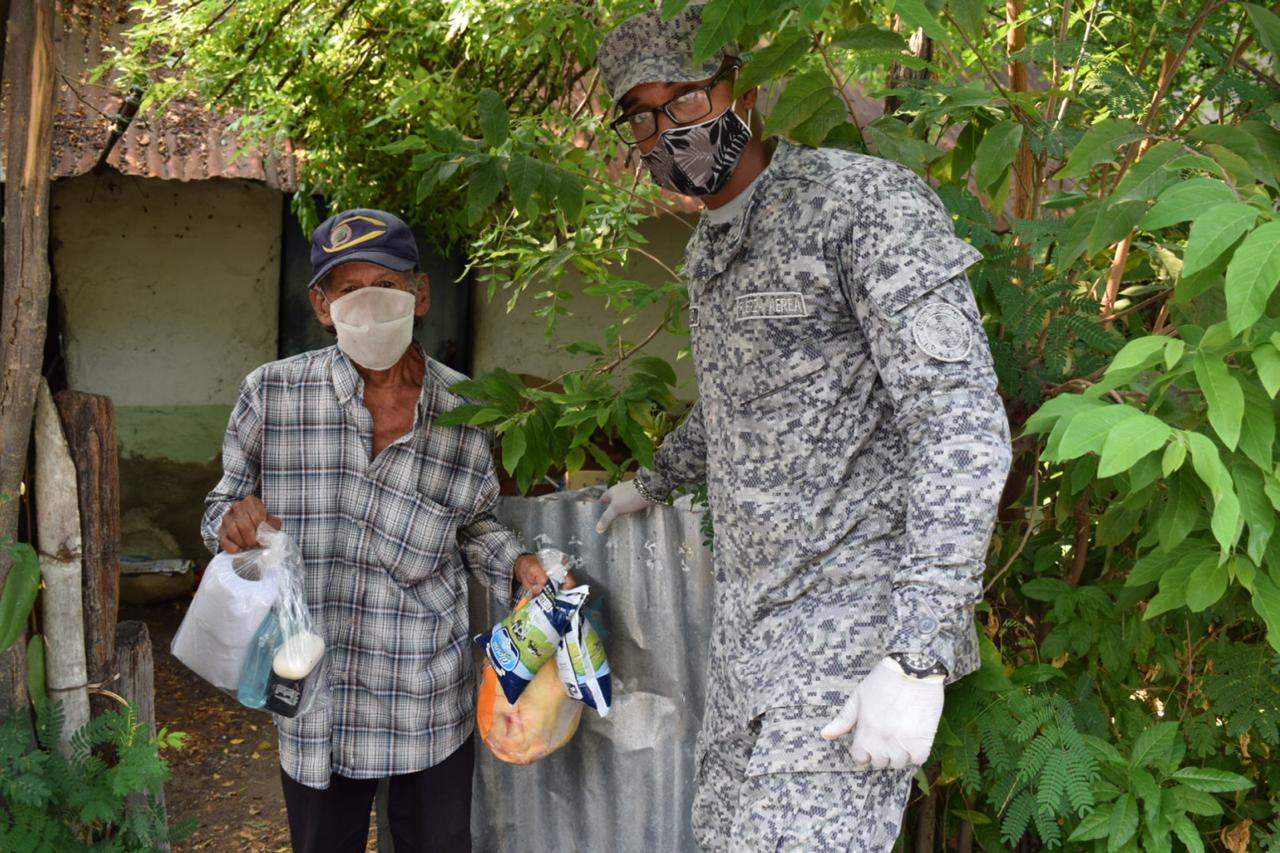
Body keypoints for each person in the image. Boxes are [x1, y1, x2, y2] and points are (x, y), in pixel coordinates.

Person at [593, 7, 1012, 850]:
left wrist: (917, 654)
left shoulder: (861, 205)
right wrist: (654, 480)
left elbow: (961, 425)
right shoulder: (709, 249)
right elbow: (736, 399)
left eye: (683, 102)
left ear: (739, 86)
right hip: (751, 636)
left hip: (853, 636)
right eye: (641, 116)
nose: (665, 132)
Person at [201, 208, 547, 853]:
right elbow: (223, 502)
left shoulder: (468, 409)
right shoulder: (272, 394)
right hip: (313, 691)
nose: (370, 305)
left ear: (419, 293)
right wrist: (232, 522)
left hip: (423, 687)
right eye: (349, 291)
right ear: (321, 305)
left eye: (386, 286)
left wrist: (518, 568)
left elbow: (475, 526)